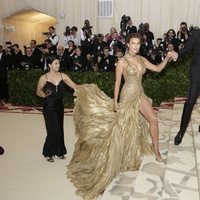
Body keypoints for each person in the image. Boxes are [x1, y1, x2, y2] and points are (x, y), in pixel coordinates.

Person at [67, 33, 172, 200]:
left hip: (140, 94)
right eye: (133, 43)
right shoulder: (122, 61)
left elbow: (158, 68)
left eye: (138, 43)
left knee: (153, 119)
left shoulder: (142, 59)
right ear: (128, 45)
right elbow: (117, 82)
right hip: (127, 96)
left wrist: (167, 57)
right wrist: (115, 102)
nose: (136, 46)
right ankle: (115, 157)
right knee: (122, 129)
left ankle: (156, 149)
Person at [36, 55, 78, 162]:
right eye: (55, 63)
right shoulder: (44, 78)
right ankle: (48, 152)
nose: (58, 65)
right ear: (50, 65)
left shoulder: (62, 76)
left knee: (60, 129)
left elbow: (74, 86)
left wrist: (87, 89)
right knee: (53, 130)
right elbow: (38, 91)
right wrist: (44, 95)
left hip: (60, 106)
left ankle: (60, 151)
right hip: (49, 106)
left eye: (58, 63)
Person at [172, 28, 200, 145]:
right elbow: (187, 48)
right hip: (197, 71)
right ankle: (181, 132)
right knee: (190, 101)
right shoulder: (197, 33)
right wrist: (177, 54)